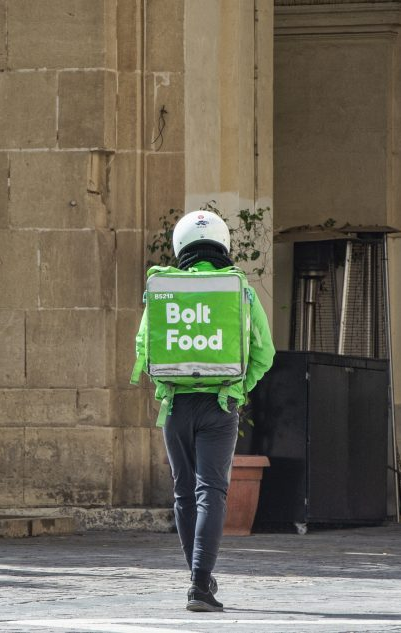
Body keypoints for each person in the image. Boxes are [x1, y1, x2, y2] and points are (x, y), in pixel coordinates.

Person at [132, 209, 275, 612]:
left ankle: (197, 577)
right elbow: (264, 352)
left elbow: (144, 349)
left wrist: (169, 383)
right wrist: (236, 388)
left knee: (183, 493)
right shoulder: (238, 289)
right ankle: (200, 584)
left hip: (176, 405)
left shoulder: (166, 288)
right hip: (220, 405)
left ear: (181, 245)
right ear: (223, 243)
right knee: (211, 491)